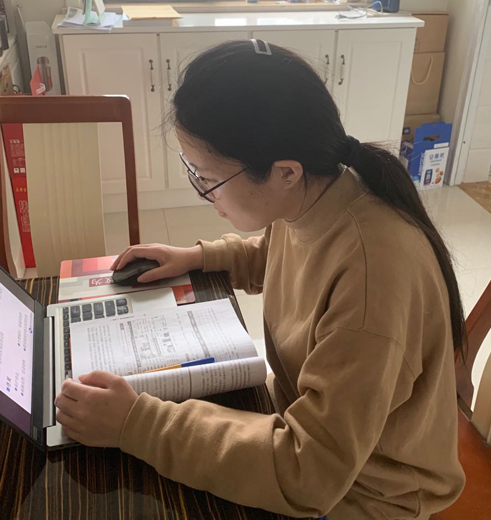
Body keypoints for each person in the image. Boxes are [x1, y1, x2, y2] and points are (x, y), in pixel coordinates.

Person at [55, 39, 466, 519]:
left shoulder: (373, 278)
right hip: (314, 434)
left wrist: (137, 423)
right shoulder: (320, 195)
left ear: (284, 172)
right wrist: (199, 257)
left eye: (208, 178)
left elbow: (308, 474)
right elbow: (278, 254)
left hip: (367, 492)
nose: (205, 193)